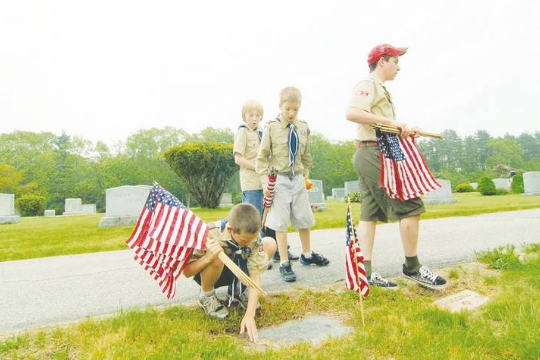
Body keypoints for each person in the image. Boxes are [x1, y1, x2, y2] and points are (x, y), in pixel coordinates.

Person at [345, 44, 447, 290]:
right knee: (410, 205)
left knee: (369, 214)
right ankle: (412, 267)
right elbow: (352, 113)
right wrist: (390, 121)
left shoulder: (381, 89)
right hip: (374, 153)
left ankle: (364, 272)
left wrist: (405, 130)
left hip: (374, 149)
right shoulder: (367, 84)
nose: (399, 66)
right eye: (395, 61)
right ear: (383, 61)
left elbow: (382, 126)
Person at [256, 86, 330, 283]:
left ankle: (307, 254)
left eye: (295, 109)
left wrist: (306, 174)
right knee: (280, 222)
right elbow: (261, 159)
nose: (291, 113)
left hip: (297, 179)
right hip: (278, 179)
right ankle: (284, 262)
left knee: (304, 218)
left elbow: (306, 155)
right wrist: (265, 183)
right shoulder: (271, 127)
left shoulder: (303, 127)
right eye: (287, 108)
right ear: (280, 106)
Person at [183, 203, 276, 342]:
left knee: (269, 243)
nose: (249, 243)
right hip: (213, 272)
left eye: (252, 239)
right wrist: (208, 257)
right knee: (217, 256)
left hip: (239, 270)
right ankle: (206, 296)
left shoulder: (252, 237)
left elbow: (255, 275)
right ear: (230, 229)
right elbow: (187, 271)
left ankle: (240, 290)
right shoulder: (209, 233)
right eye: (245, 240)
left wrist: (249, 314)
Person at [233, 100, 298, 268]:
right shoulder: (243, 133)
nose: (254, 118)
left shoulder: (263, 132)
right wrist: (259, 167)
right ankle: (258, 256)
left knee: (272, 217)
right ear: (244, 116)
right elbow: (238, 158)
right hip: (252, 183)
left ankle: (278, 251)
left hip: (267, 183)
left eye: (257, 115)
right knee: (255, 220)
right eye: (251, 115)